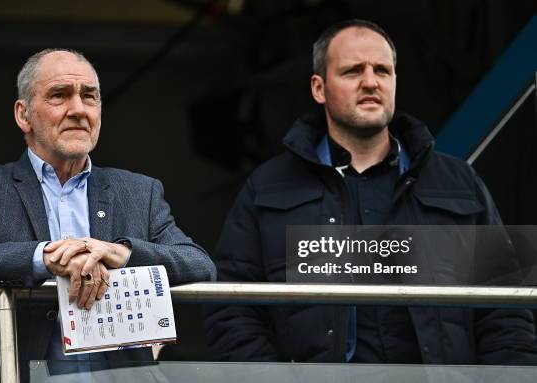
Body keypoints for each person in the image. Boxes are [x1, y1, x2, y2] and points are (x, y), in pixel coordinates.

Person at [204, 19, 537, 365]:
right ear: (319, 88)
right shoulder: (268, 186)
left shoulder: (459, 182)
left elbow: (506, 308)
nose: (370, 82)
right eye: (352, 71)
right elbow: (230, 308)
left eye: (382, 70)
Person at [0, 48, 216, 379]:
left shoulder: (138, 191)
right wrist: (46, 258)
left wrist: (122, 253)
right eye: (59, 96)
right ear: (24, 115)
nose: (78, 109)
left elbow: (200, 265)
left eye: (89, 97)